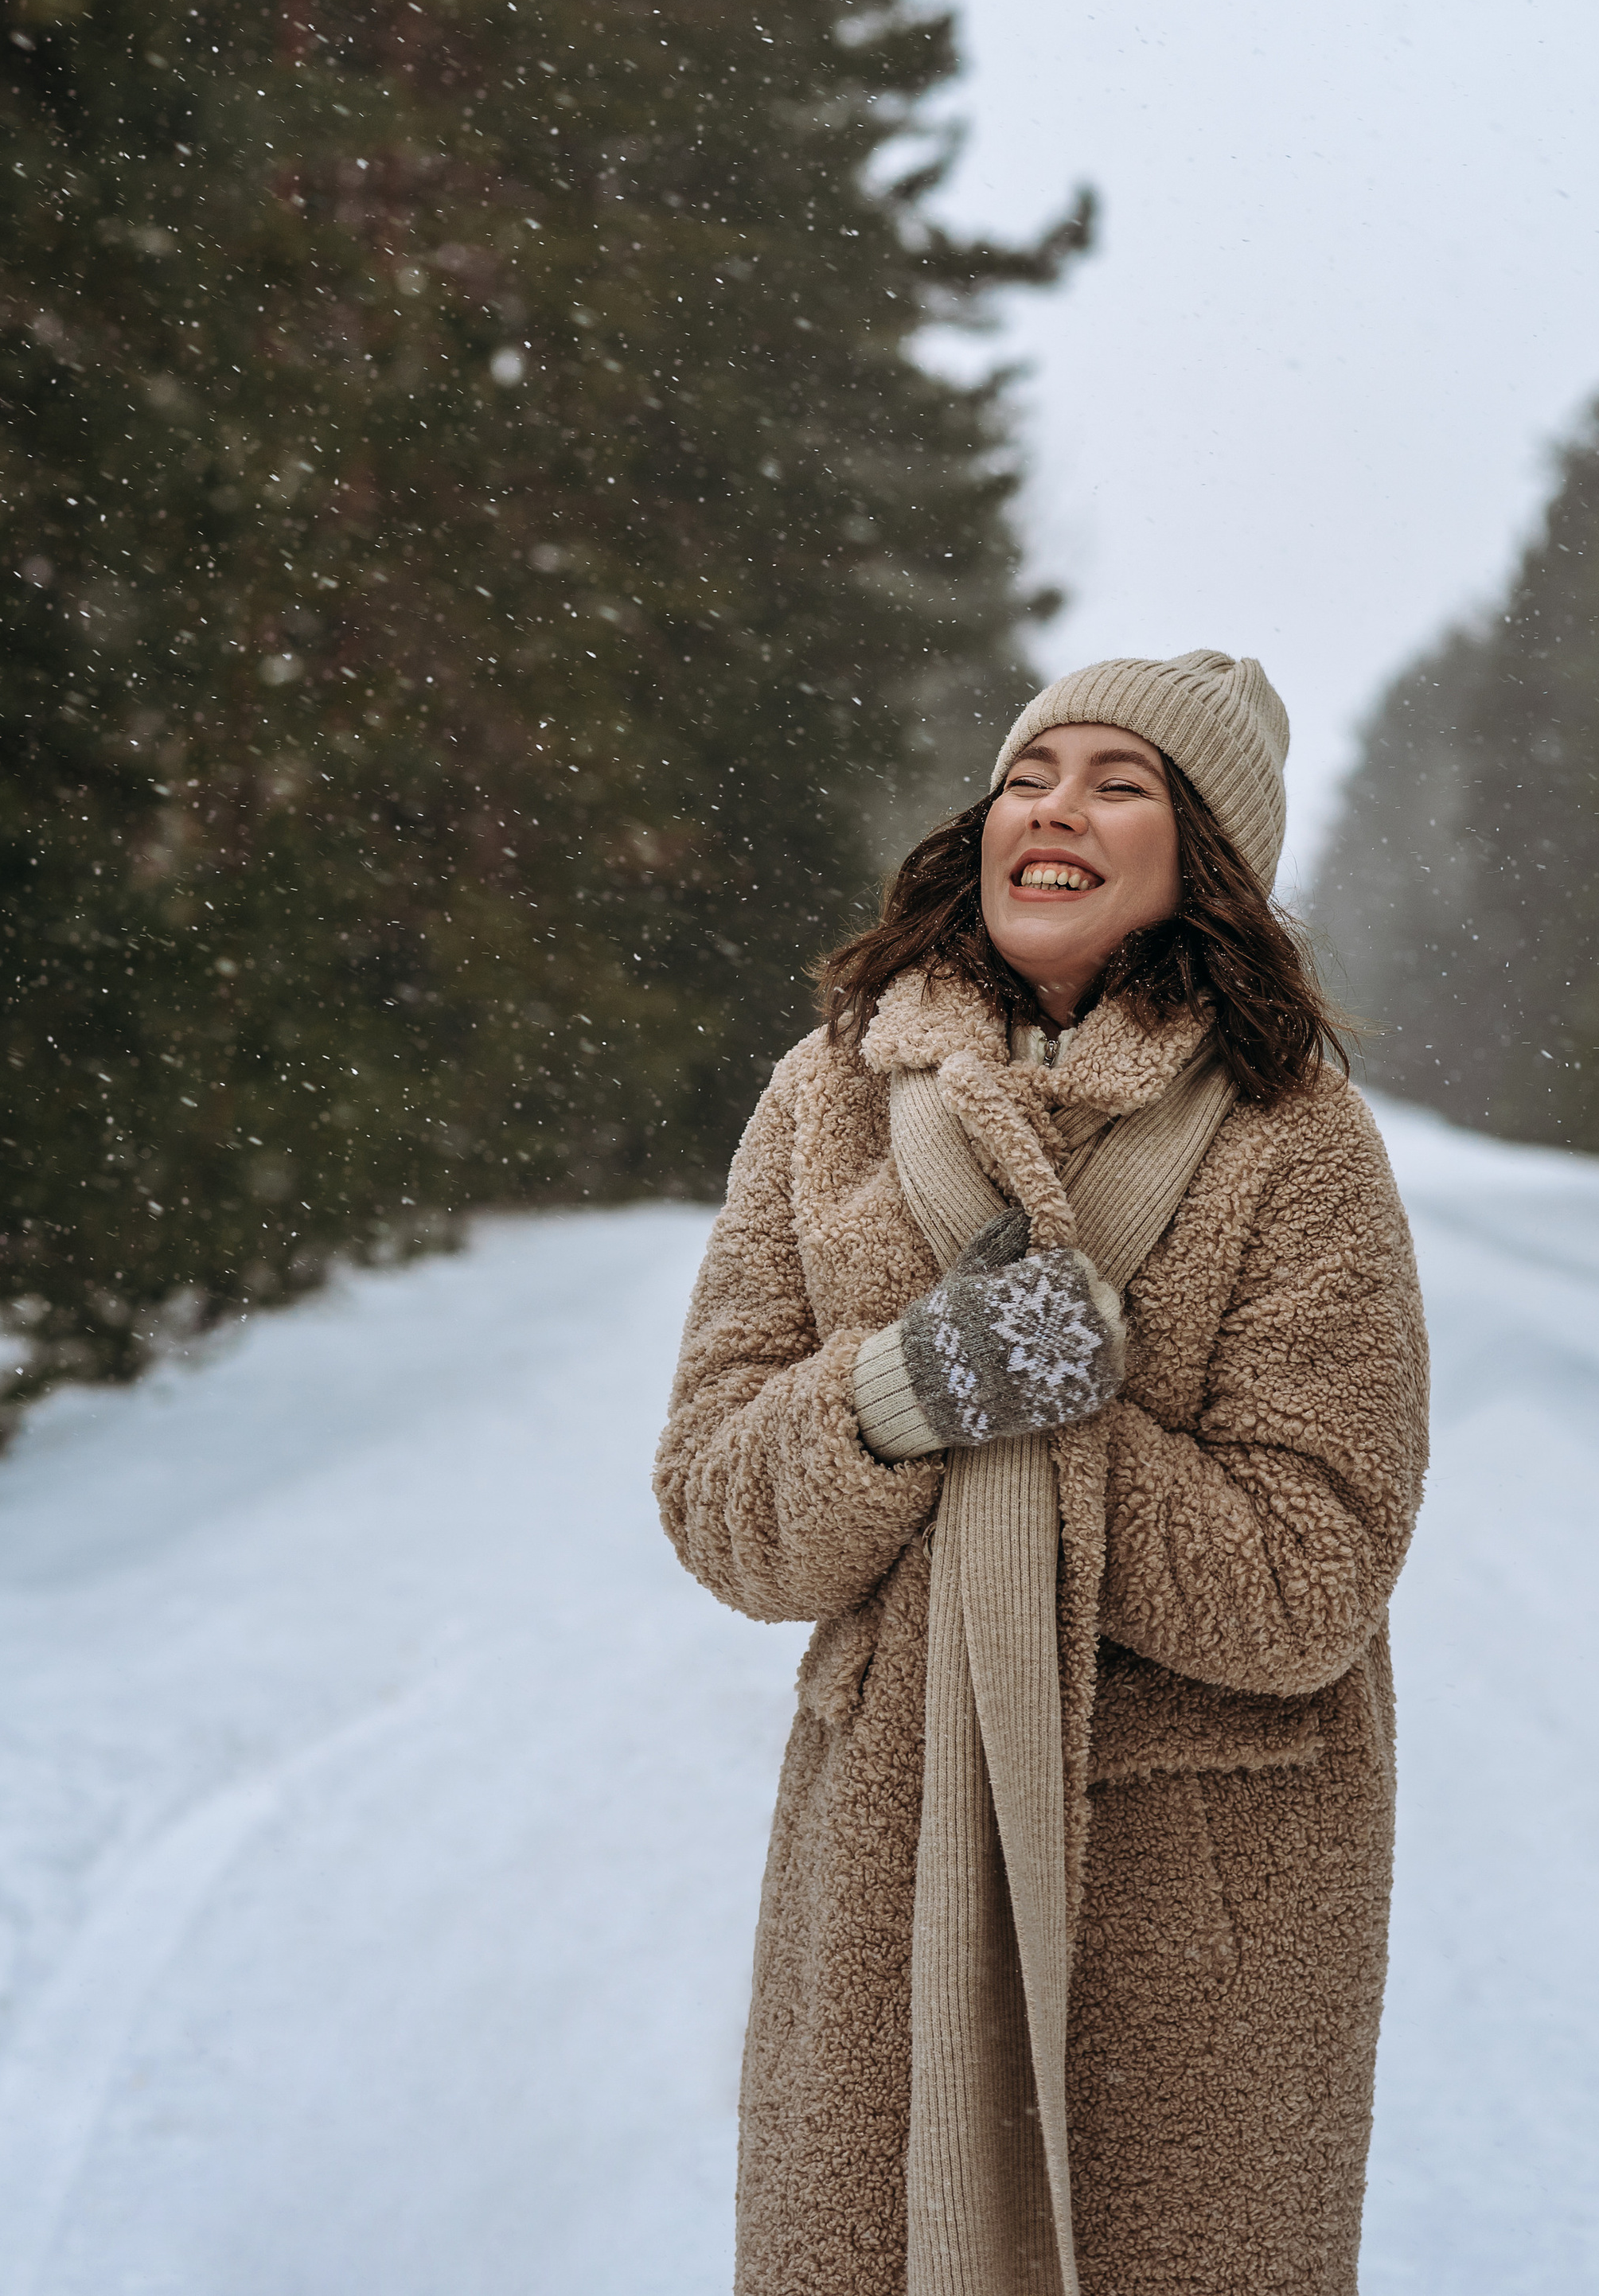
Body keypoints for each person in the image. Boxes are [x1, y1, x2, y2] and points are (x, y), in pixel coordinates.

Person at [655, 650, 1429, 2296]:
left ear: (1197, 856)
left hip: (1191, 1918)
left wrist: (1064, 1415)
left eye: (1117, 780)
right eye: (1030, 772)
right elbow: (725, 1516)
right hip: (890, 1874)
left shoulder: (1295, 1141)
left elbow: (1307, 1583)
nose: (1054, 808)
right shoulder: (826, 1100)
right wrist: (904, 1386)